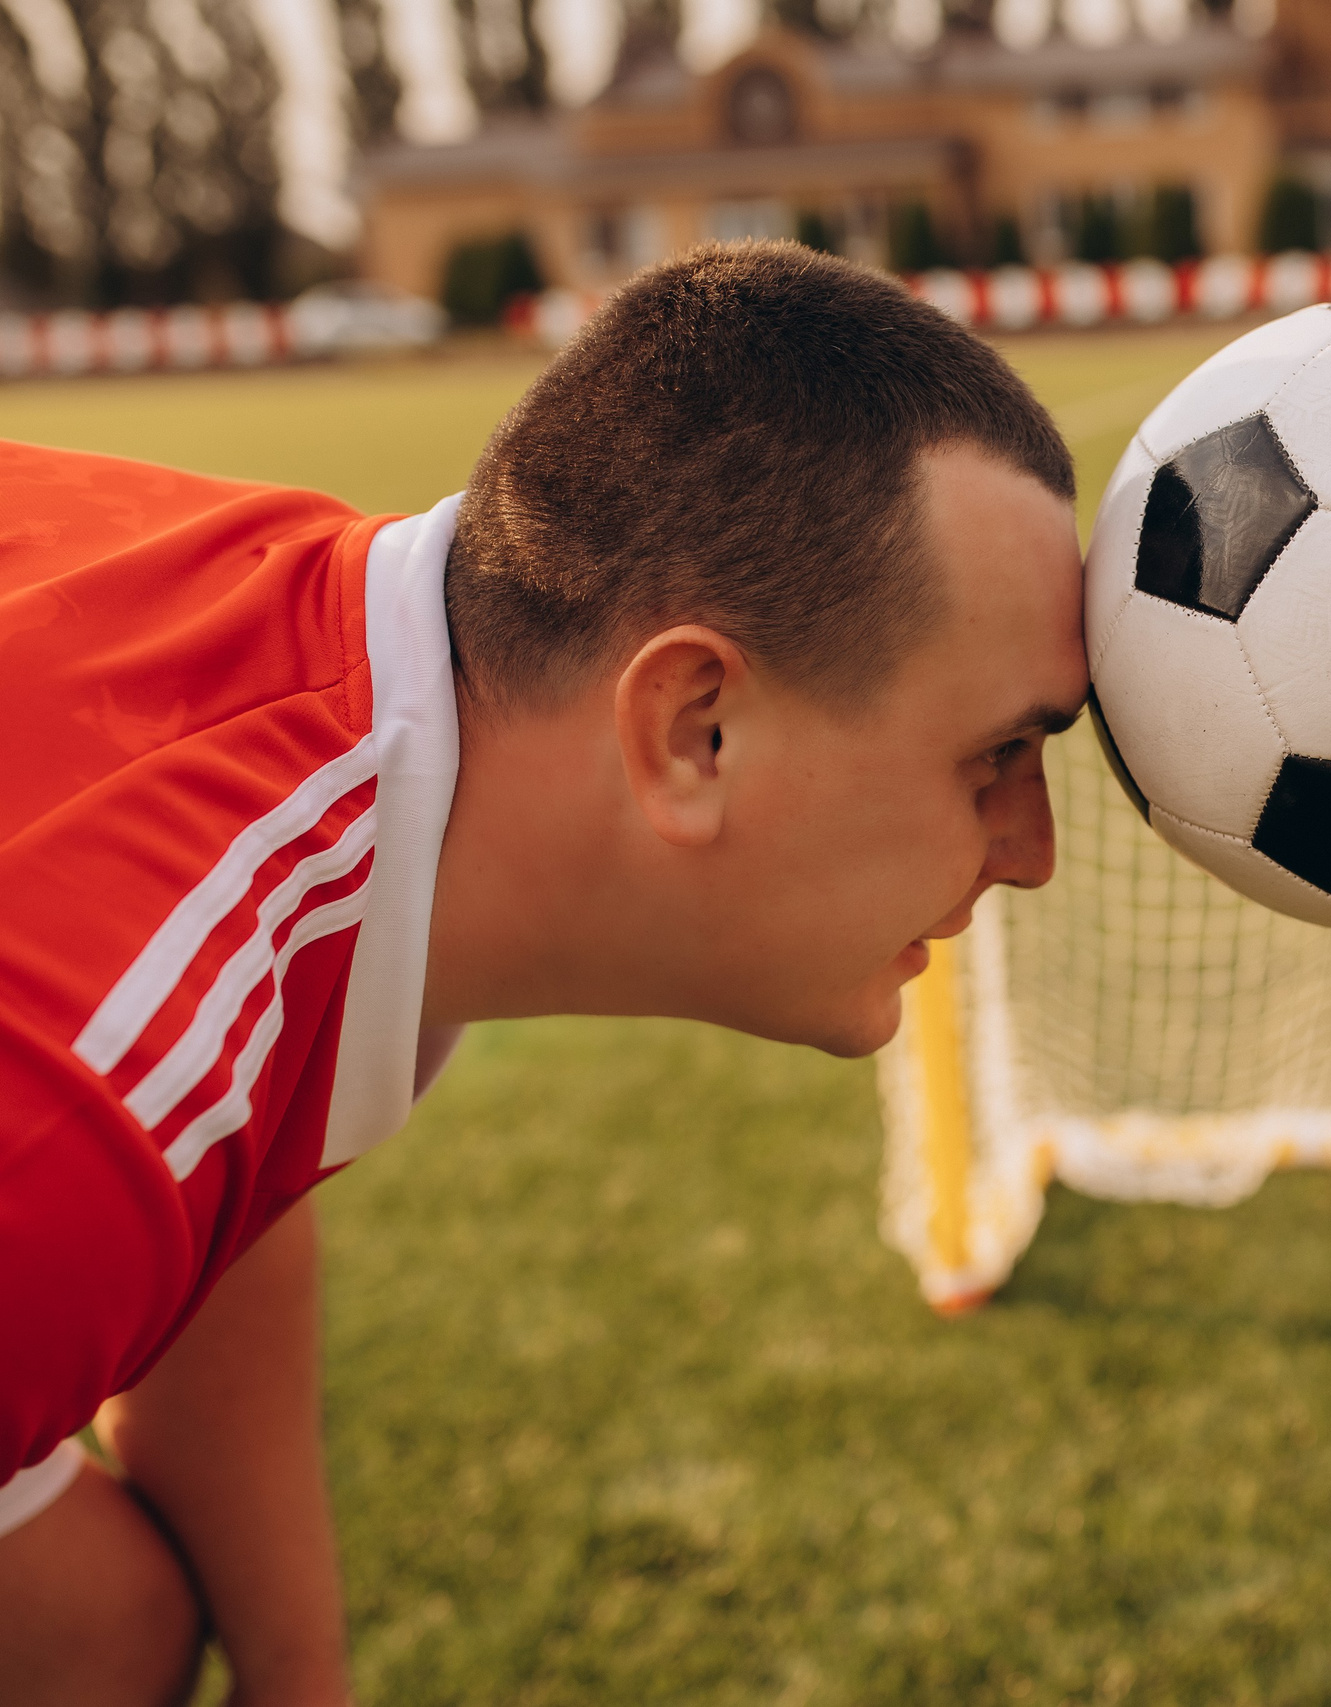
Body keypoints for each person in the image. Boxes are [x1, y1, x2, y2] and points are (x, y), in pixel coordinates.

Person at [0, 242, 1087, 1706]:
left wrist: (299, 1678)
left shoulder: (359, 702)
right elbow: (122, 1123)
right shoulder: (76, 1099)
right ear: (695, 725)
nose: (1031, 849)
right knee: (94, 1635)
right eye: (997, 755)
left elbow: (231, 1174)